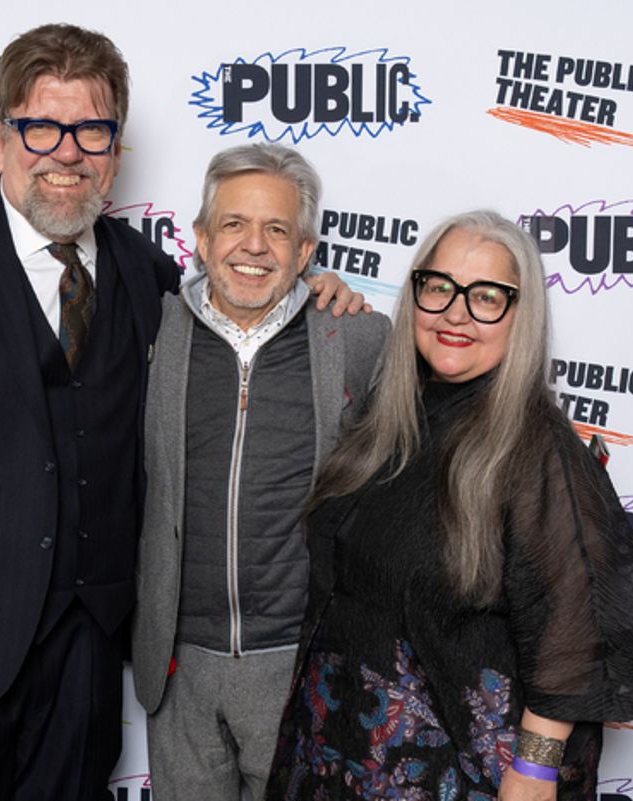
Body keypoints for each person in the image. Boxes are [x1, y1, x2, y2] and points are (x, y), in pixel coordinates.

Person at [0, 24, 356, 801]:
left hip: (89, 655)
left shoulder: (147, 271)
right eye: (42, 125)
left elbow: (245, 295)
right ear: (2, 136)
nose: (66, 151)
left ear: (114, 148)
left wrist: (321, 296)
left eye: (92, 129)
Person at [265, 211, 633, 801]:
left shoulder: (537, 448)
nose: (456, 313)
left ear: (520, 315)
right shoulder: (393, 416)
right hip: (335, 755)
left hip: (455, 775)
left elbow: (578, 630)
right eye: (439, 287)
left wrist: (534, 773)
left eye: (486, 297)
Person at [131, 143, 390, 801]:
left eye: (277, 229)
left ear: (306, 252)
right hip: (180, 666)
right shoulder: (150, 331)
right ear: (200, 238)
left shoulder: (357, 337)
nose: (254, 245)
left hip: (301, 664)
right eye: (234, 224)